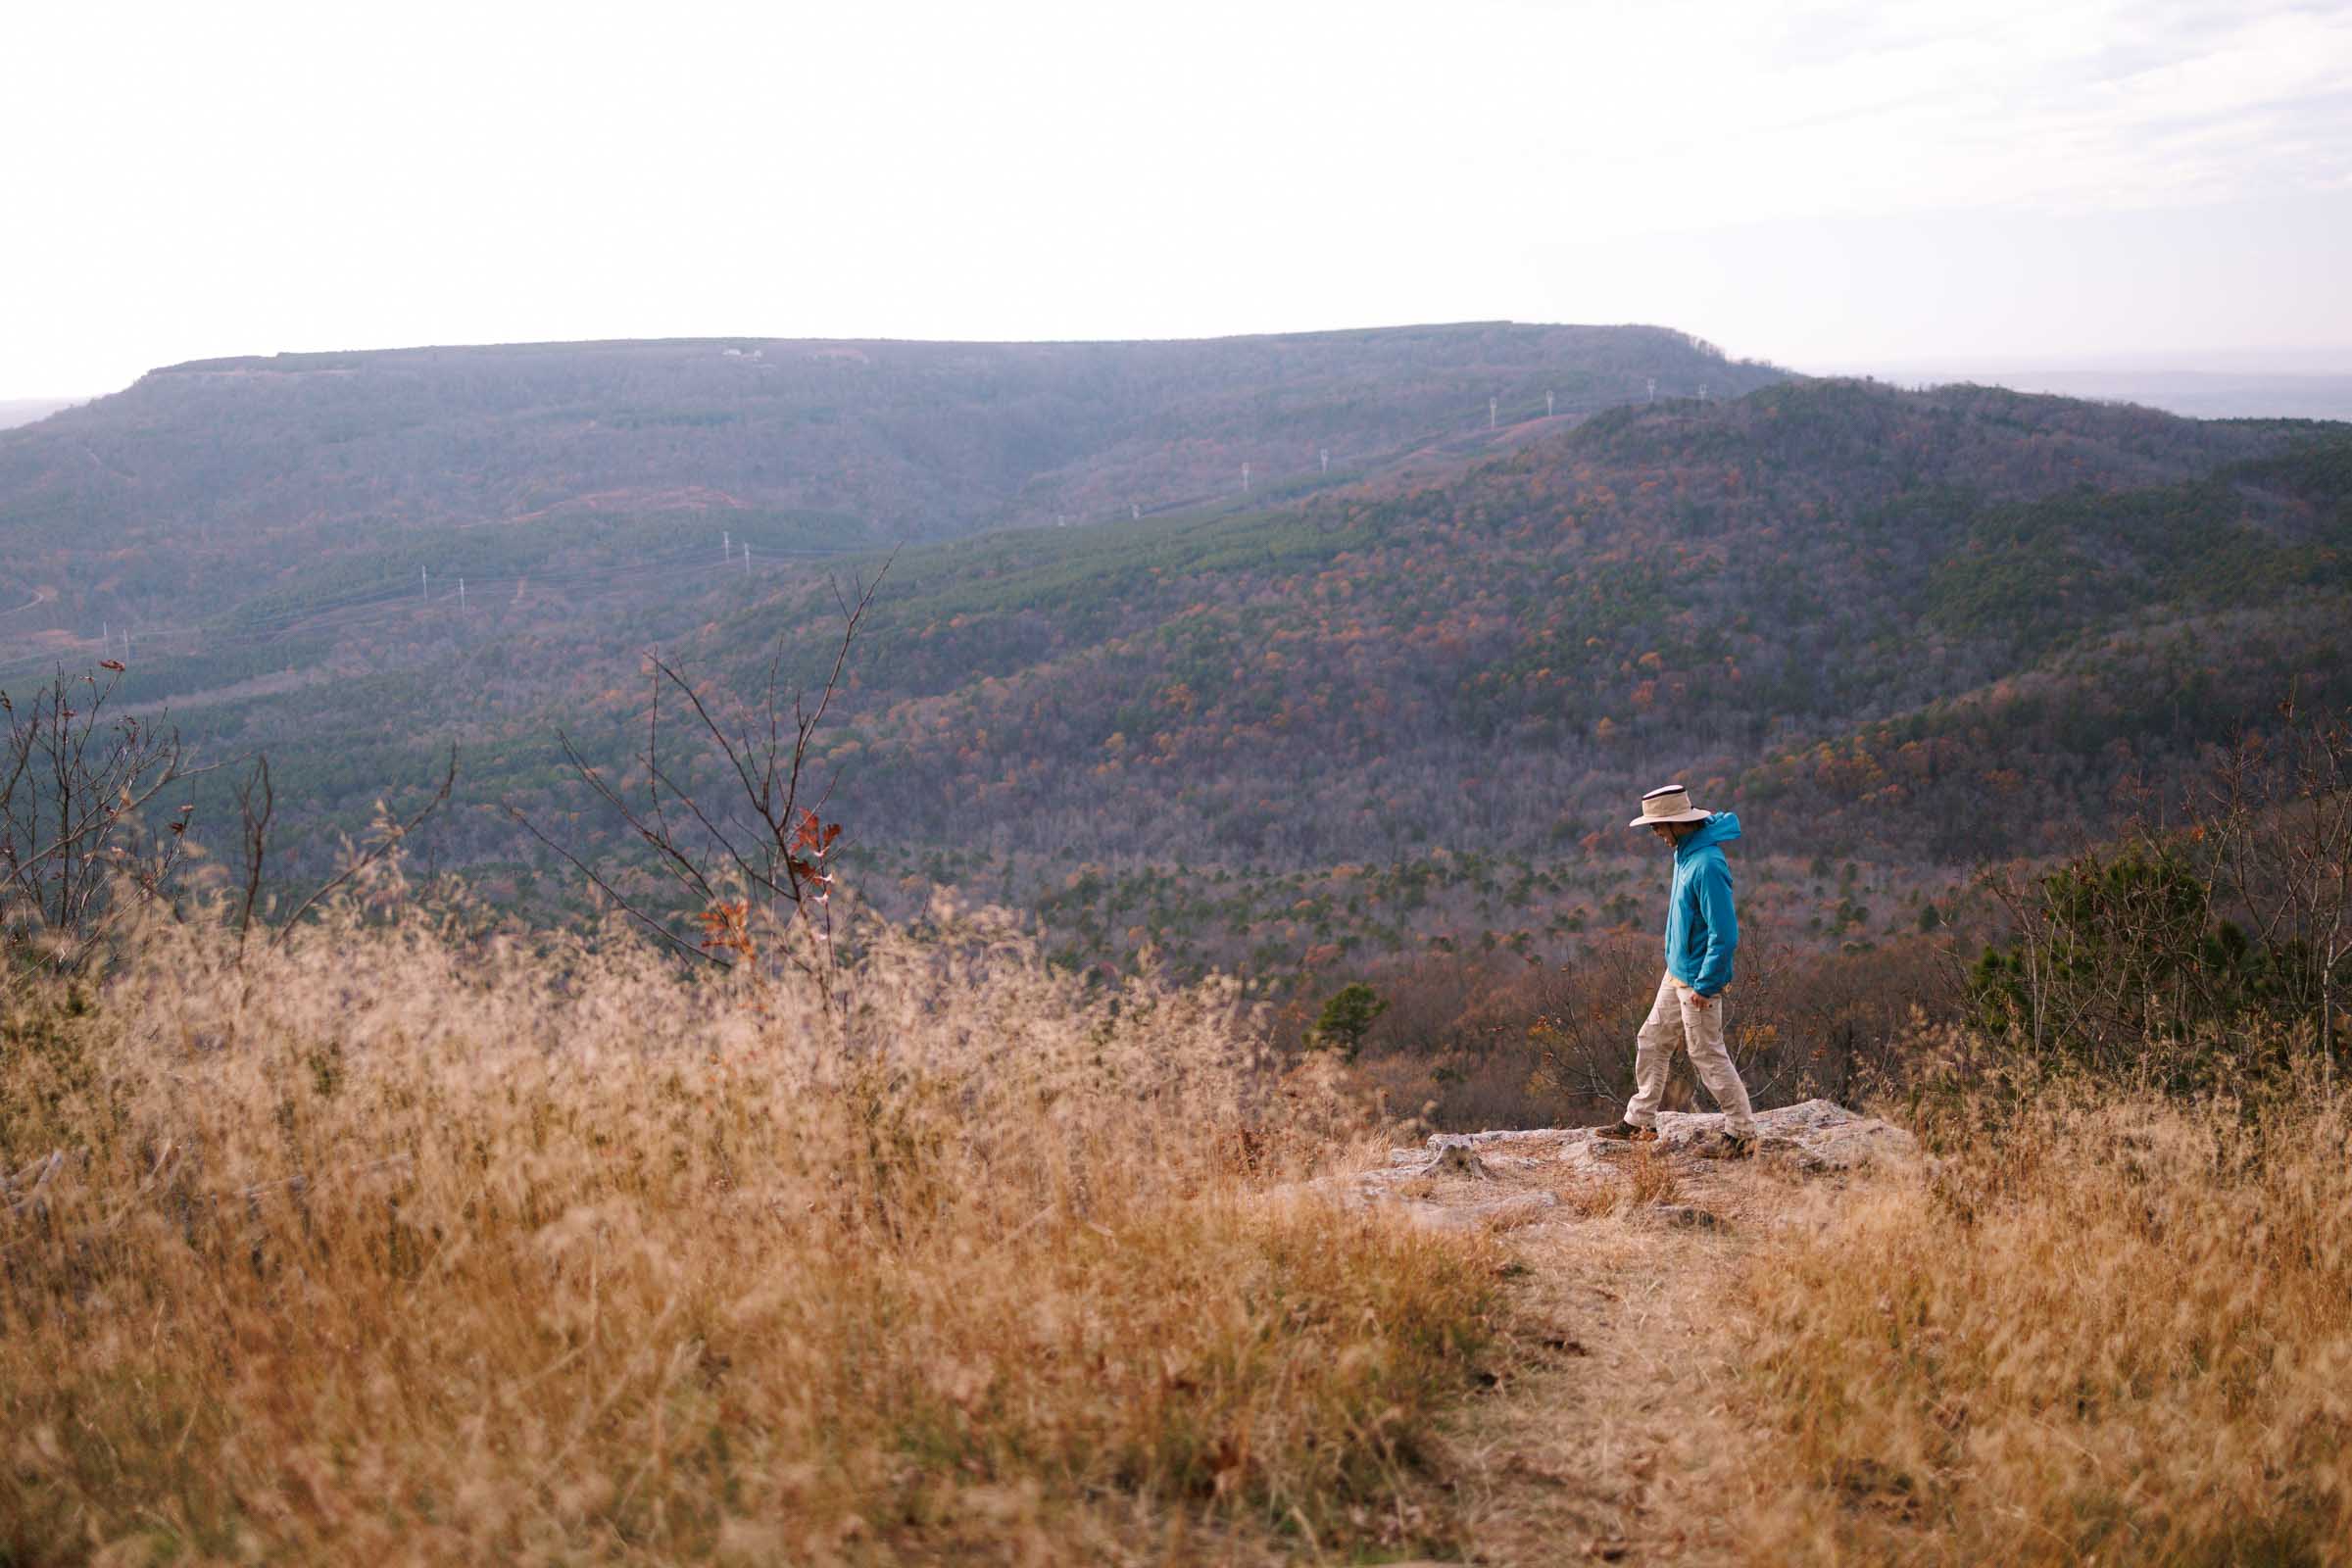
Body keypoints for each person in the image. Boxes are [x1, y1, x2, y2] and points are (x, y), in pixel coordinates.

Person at [1594, 785, 1758, 1157]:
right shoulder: (1685, 855)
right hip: (1678, 973)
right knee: (1651, 1040)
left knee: (1707, 1054)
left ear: (1675, 824)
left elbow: (1725, 933)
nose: (1654, 834)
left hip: (1699, 980)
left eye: (1657, 827)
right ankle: (1640, 1121)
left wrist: (1707, 983)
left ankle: (1742, 1133)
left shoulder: (1707, 865)